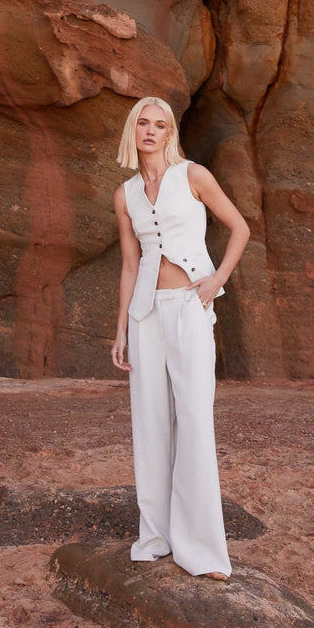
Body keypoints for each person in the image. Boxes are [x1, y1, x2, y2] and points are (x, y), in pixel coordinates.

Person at [111, 96, 250, 581]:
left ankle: (203, 551)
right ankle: (157, 536)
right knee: (149, 425)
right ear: (134, 131)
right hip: (146, 314)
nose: (151, 131)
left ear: (170, 133)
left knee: (193, 421)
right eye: (143, 123)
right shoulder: (125, 193)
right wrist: (122, 327)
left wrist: (216, 281)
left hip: (190, 307)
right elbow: (130, 264)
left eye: (160, 125)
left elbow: (239, 227)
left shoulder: (193, 176)